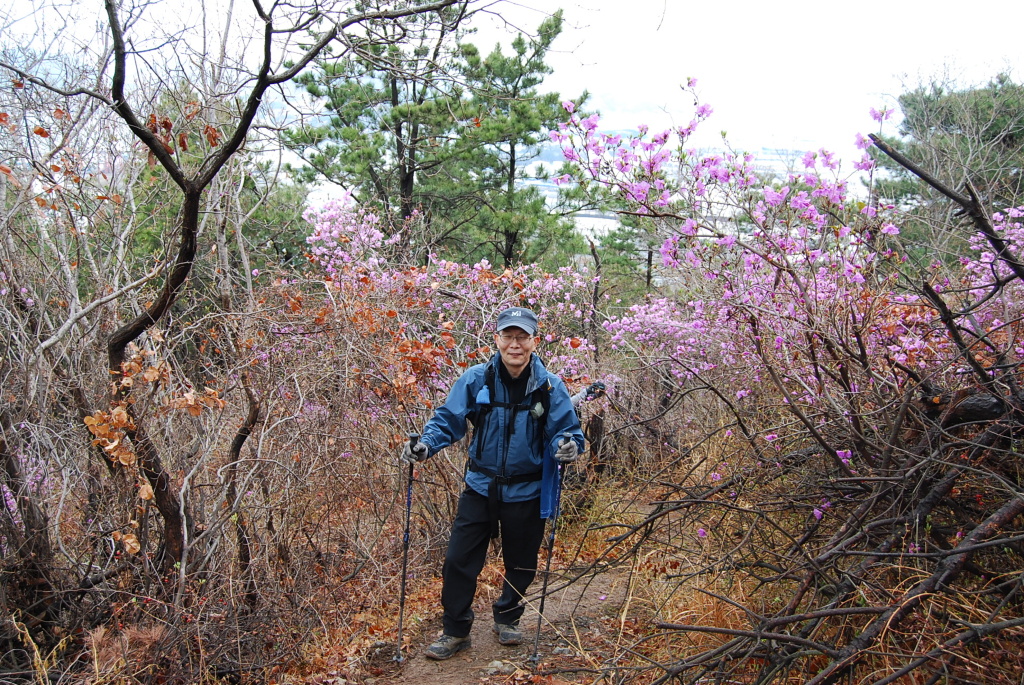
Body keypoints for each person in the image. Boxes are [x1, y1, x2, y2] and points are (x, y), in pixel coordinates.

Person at [402, 306, 585, 660]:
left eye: (522, 337)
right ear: (497, 339)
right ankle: (455, 630)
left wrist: (568, 447)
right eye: (508, 336)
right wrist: (425, 446)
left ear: (534, 341)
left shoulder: (550, 387)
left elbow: (567, 432)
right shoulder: (476, 379)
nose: (514, 344)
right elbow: (448, 420)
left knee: (522, 562)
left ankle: (508, 618)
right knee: (458, 560)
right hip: (481, 487)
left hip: (527, 491)